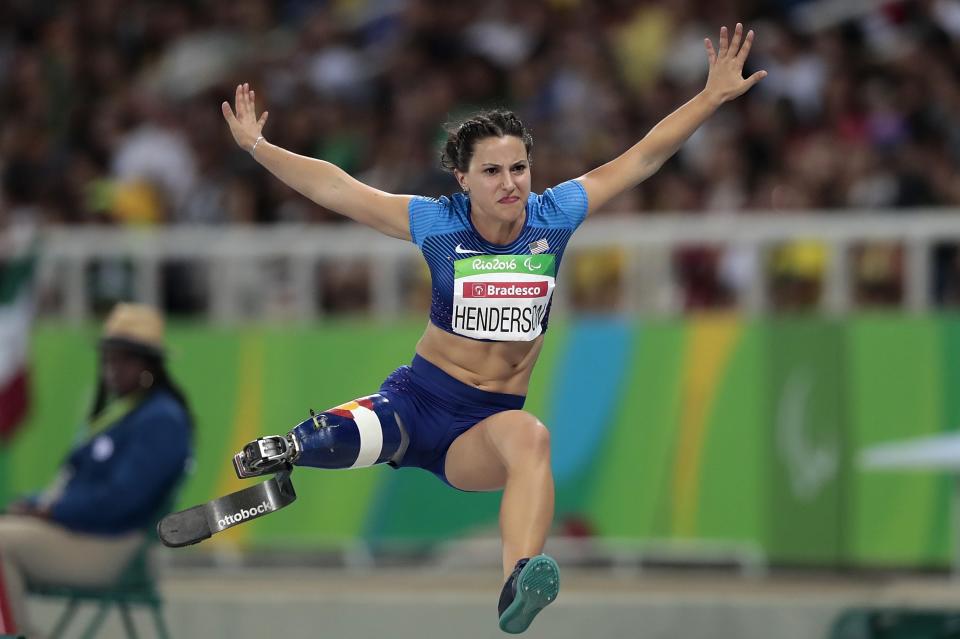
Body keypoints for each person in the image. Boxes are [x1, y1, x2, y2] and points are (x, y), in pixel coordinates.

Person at [222, 23, 765, 634]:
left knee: (531, 439)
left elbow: (642, 156)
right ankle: (290, 451)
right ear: (462, 178)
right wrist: (258, 148)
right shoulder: (434, 222)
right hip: (419, 400)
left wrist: (711, 97)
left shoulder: (554, 216)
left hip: (479, 432)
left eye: (519, 168)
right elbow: (337, 188)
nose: (510, 183)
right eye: (492, 172)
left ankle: (517, 586)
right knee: (362, 432)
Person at [0, 303, 193, 636]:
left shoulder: (162, 420)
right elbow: (78, 482)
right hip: (85, 532)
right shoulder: (125, 413)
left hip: (114, 546)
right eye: (109, 358)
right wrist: (33, 504)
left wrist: (52, 511)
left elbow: (120, 499)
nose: (112, 369)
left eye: (123, 359)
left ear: (150, 364)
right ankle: (18, 631)